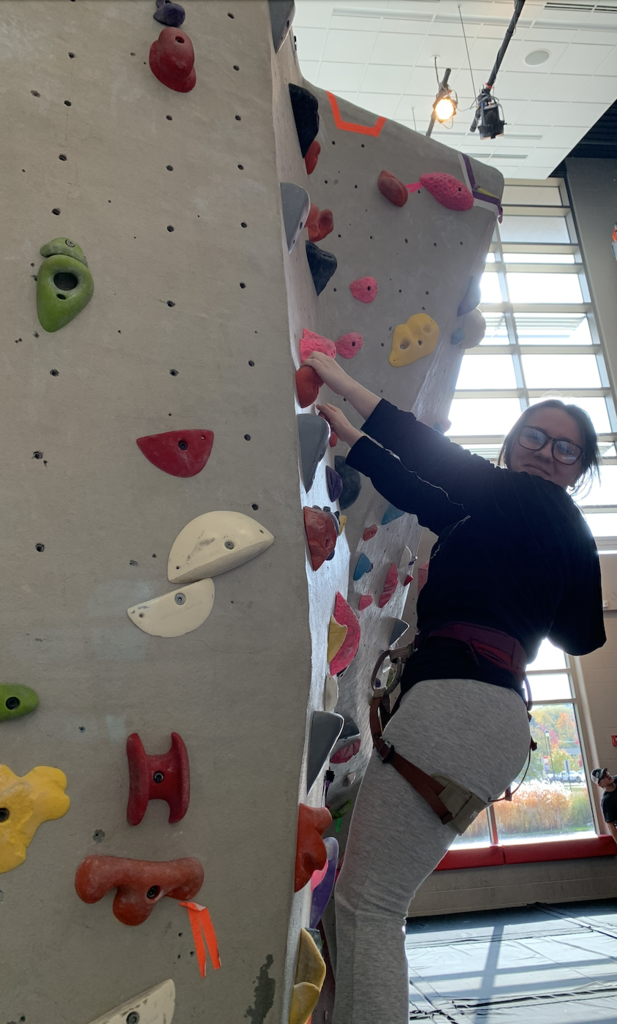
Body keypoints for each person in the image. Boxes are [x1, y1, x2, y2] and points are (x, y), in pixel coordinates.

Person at [302, 351, 606, 1024]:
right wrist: (352, 443)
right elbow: (580, 634)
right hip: (492, 716)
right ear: (512, 441)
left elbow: (426, 452)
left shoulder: (518, 495)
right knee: (363, 901)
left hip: (454, 705)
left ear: (577, 470)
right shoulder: (557, 530)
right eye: (535, 436)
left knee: (367, 907)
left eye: (565, 449)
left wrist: (339, 381)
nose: (546, 452)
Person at [591, 767, 617, 844]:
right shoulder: (606, 801)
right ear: (600, 784)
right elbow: (610, 825)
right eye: (603, 777)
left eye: (606, 773)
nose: (607, 775)